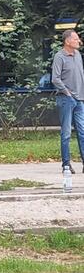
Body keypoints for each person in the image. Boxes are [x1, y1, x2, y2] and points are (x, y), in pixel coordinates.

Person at [51, 29, 84, 174]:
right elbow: (55, 78)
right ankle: (66, 164)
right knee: (66, 133)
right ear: (67, 41)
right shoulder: (60, 57)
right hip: (66, 99)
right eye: (76, 39)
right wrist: (67, 93)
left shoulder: (78, 55)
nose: (79, 41)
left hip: (80, 99)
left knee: (82, 132)